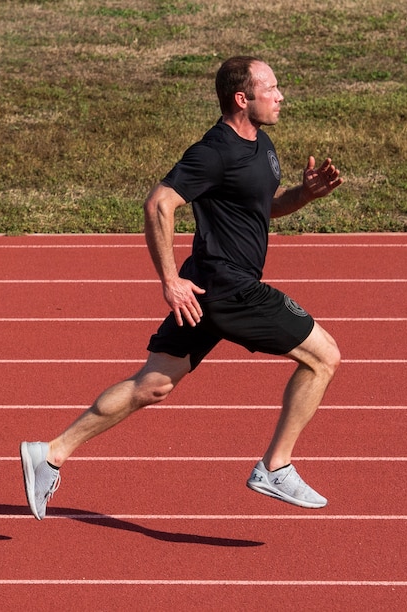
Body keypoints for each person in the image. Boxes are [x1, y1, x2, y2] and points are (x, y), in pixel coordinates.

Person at [20, 56, 344, 520]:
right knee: (324, 356)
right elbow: (159, 203)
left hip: (209, 291)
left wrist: (304, 195)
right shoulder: (213, 151)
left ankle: (49, 453)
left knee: (151, 384)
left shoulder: (261, 144)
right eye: (270, 87)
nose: (280, 95)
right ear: (241, 98)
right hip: (228, 286)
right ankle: (276, 466)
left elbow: (259, 208)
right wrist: (170, 281)